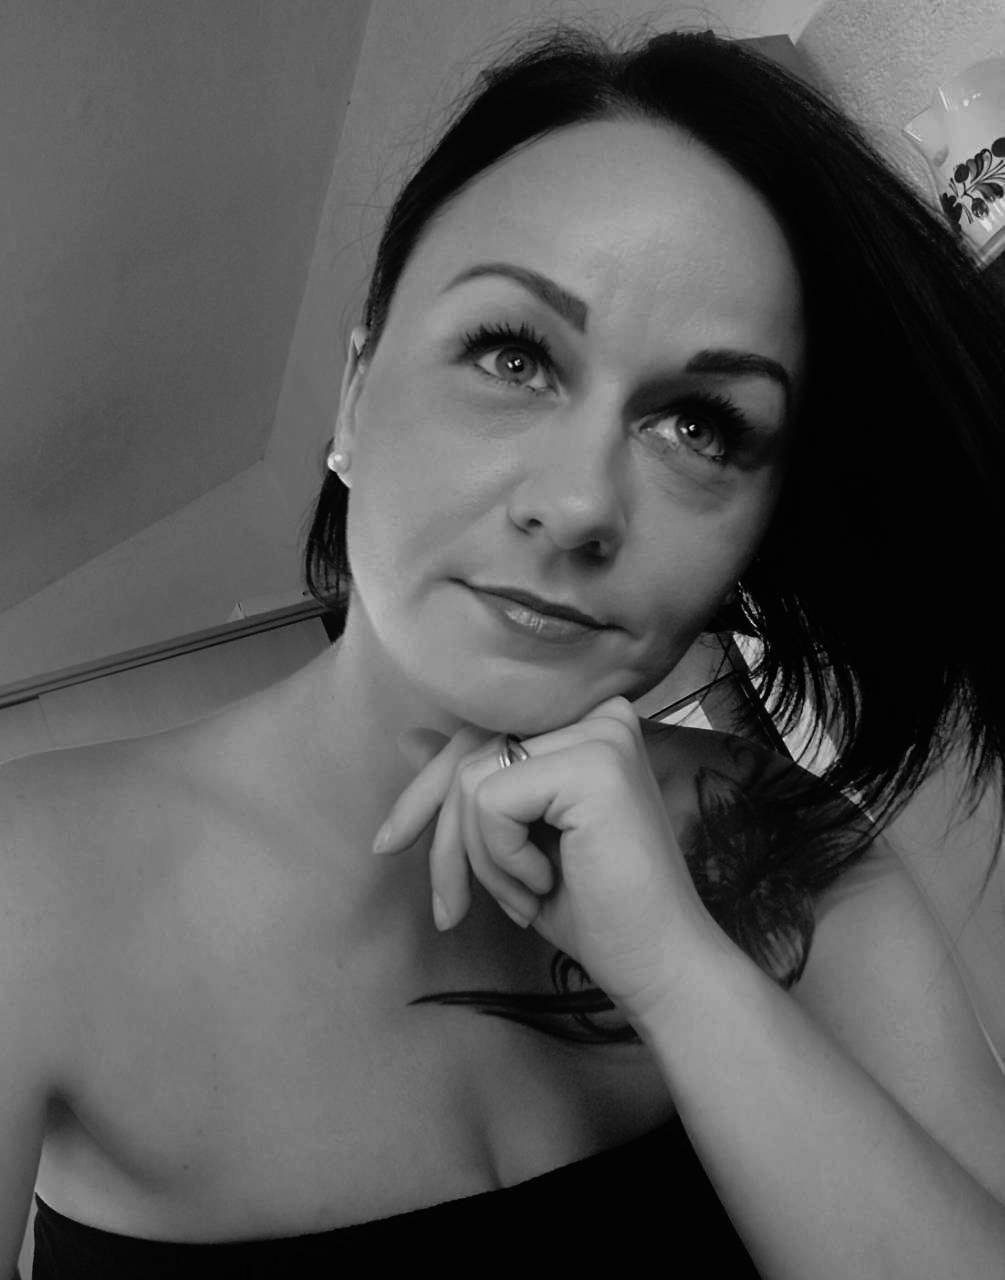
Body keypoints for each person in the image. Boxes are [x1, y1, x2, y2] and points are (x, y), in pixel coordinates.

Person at [5, 19, 1005, 1279]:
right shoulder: (27, 887)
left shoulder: (778, 847)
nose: (580, 503)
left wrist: (681, 975)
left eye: (702, 425)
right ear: (355, 395)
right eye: (514, 353)